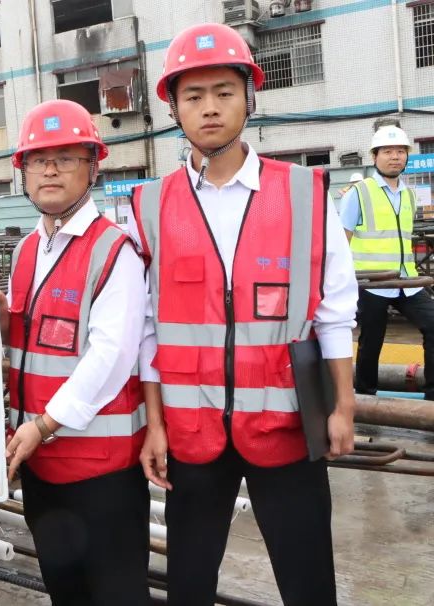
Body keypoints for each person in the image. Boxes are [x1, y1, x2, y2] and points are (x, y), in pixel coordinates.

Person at [132, 23, 357, 606]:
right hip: (192, 433)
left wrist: (342, 408)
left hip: (287, 426)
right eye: (193, 95)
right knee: (189, 583)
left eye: (224, 92)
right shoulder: (150, 205)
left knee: (308, 581)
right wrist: (155, 424)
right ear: (174, 108)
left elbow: (335, 312)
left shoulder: (305, 193)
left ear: (249, 98)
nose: (209, 107)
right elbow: (147, 329)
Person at [2, 99, 150, 605]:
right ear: (22, 171)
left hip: (101, 473)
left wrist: (42, 425)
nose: (49, 170)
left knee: (116, 595)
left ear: (93, 166)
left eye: (65, 158)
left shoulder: (114, 251)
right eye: (37, 160)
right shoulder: (26, 251)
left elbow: (110, 356)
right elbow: (21, 339)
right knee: (65, 593)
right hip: (42, 469)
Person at [340, 126, 434, 400]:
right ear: (375, 156)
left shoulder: (409, 195)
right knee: (372, 341)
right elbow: (341, 240)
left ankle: (431, 397)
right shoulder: (358, 193)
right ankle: (366, 397)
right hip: (371, 282)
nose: (395, 156)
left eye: (401, 151)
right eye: (388, 151)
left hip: (407, 280)